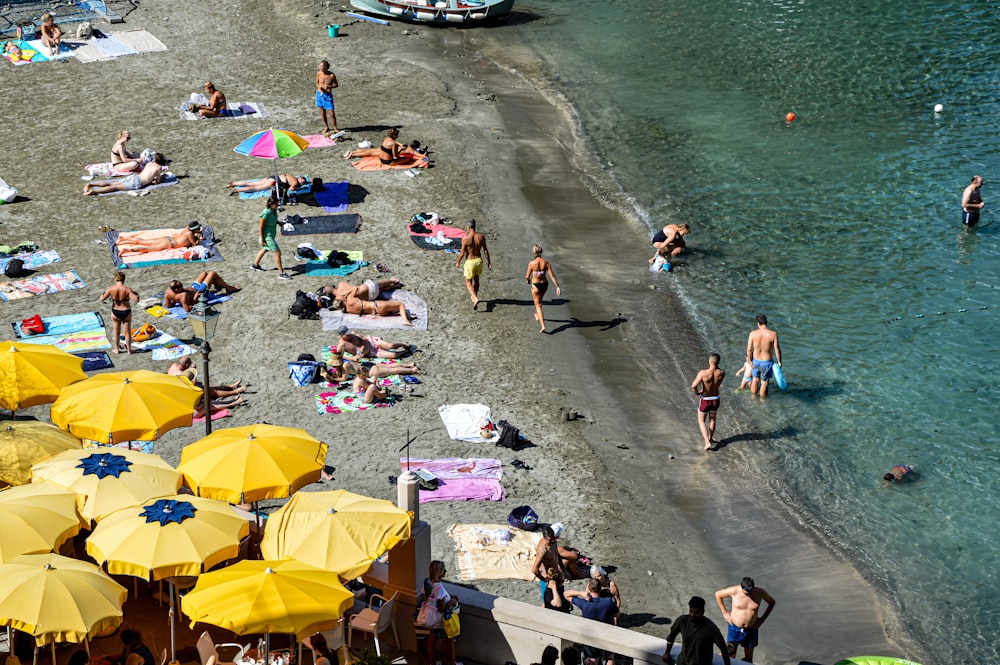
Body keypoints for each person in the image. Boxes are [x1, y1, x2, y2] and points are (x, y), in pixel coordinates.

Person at [714, 577, 776, 663]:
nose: (749, 595)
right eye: (746, 593)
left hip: (751, 629)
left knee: (748, 658)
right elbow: (718, 594)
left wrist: (762, 619)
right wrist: (724, 612)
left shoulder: (760, 592)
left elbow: (772, 602)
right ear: (741, 587)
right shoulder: (734, 591)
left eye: (750, 592)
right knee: (730, 654)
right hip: (735, 628)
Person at [564, 578, 619, 665]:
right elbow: (617, 614)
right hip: (606, 633)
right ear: (601, 588)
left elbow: (566, 594)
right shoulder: (608, 602)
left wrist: (581, 593)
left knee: (593, 659)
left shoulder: (584, 603)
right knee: (610, 658)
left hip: (591, 635)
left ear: (589, 589)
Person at [662, 596, 731, 665]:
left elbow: (723, 648)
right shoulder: (682, 621)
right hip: (682, 662)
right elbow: (671, 636)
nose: (692, 615)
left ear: (703, 612)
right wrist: (667, 653)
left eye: (696, 613)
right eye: (691, 611)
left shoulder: (711, 628)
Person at [415, 560, 459, 665]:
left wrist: (448, 596)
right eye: (443, 570)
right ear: (439, 572)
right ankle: (452, 663)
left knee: (432, 639)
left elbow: (430, 599)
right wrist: (452, 601)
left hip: (430, 618)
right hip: (440, 622)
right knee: (450, 641)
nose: (446, 571)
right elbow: (441, 608)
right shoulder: (439, 589)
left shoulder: (428, 583)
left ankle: (432, 662)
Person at [83, 153, 168, 195]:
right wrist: (163, 176)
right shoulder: (158, 168)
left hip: (135, 177)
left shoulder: (149, 164)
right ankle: (94, 192)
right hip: (138, 183)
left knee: (112, 183)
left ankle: (91, 184)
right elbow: (157, 182)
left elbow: (146, 174)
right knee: (115, 187)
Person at [691, 353, 725, 450]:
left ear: (710, 361)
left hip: (705, 399)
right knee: (713, 419)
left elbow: (693, 386)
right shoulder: (722, 372)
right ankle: (710, 438)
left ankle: (707, 442)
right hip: (716, 398)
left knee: (701, 421)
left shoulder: (703, 373)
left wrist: (698, 392)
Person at [99, 271, 138, 355]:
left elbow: (102, 299)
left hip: (115, 311)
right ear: (124, 279)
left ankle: (117, 349)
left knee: (116, 331)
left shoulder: (111, 289)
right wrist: (134, 293)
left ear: (116, 279)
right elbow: (136, 299)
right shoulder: (127, 289)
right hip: (126, 310)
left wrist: (101, 296)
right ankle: (129, 350)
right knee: (127, 332)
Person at [525, 244, 562, 333]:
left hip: (535, 285)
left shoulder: (531, 263)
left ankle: (543, 326)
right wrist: (557, 287)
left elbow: (527, 276)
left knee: (538, 305)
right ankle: (538, 315)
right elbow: (552, 275)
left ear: (534, 252)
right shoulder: (546, 262)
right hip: (545, 285)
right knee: (539, 302)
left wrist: (528, 281)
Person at [251, 197, 291, 280]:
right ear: (271, 204)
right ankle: (281, 273)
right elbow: (261, 227)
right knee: (277, 252)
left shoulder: (274, 210)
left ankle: (255, 265)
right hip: (267, 237)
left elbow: (273, 219)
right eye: (276, 204)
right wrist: (262, 239)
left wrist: (279, 222)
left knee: (265, 249)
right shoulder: (266, 213)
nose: (277, 206)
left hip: (271, 235)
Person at [456, 219, 491, 310]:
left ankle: (475, 298)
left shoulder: (466, 238)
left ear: (468, 227)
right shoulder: (481, 236)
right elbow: (485, 250)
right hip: (478, 260)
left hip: (470, 261)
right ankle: (474, 295)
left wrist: (458, 262)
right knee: (477, 280)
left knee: (468, 282)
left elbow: (462, 253)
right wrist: (489, 262)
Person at [745, 314, 782, 399]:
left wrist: (749, 362)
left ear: (758, 323)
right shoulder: (773, 334)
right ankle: (763, 401)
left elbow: (749, 350)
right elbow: (777, 349)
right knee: (764, 383)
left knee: (755, 380)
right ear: (766, 322)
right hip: (766, 363)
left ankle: (753, 398)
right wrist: (779, 362)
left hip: (755, 361)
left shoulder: (753, 334)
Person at [163, 272, 240, 312]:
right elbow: (188, 309)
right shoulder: (183, 296)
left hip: (193, 288)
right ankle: (229, 288)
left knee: (204, 273)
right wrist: (195, 298)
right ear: (176, 290)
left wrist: (173, 301)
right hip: (200, 292)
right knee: (212, 273)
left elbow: (168, 305)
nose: (183, 287)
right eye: (181, 287)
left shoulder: (168, 292)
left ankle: (217, 283)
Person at [118, 220, 202, 253]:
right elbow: (195, 245)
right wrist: (198, 238)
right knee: (148, 249)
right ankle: (127, 250)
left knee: (143, 241)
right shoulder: (190, 234)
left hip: (167, 239)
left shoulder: (187, 229)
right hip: (169, 243)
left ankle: (125, 238)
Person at [335, 326, 411, 359]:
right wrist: (353, 357)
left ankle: (403, 345)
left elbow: (364, 339)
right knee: (394, 355)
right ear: (342, 335)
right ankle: (405, 352)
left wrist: (362, 347)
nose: (350, 335)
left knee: (391, 345)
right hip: (371, 352)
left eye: (349, 333)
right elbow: (337, 357)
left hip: (371, 342)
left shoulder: (353, 334)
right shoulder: (342, 345)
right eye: (347, 335)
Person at [331, 295, 414, 325]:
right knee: (400, 305)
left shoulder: (347, 310)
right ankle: (405, 320)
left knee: (393, 309)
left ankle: (406, 315)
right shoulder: (351, 300)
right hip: (377, 306)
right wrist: (347, 294)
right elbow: (355, 289)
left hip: (377, 313)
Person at [320, 278, 403, 303]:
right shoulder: (341, 284)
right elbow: (355, 288)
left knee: (380, 289)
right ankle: (393, 281)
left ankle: (394, 286)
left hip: (370, 298)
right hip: (367, 288)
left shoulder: (339, 298)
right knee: (380, 284)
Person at [316, 60, 340, 135]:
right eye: (320, 66)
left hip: (327, 95)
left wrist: (328, 86)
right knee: (323, 113)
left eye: (322, 66)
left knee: (331, 113)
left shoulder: (332, 75)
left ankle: (335, 127)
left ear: (326, 67)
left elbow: (336, 85)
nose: (320, 67)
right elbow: (317, 82)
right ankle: (326, 127)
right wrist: (320, 87)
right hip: (319, 95)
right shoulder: (319, 73)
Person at [226, 174, 309, 196]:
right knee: (255, 188)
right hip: (274, 181)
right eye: (303, 181)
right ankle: (237, 190)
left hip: (273, 177)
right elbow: (291, 189)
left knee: (251, 183)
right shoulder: (295, 182)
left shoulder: (291, 175)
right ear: (300, 178)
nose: (303, 183)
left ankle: (232, 183)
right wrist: (300, 189)